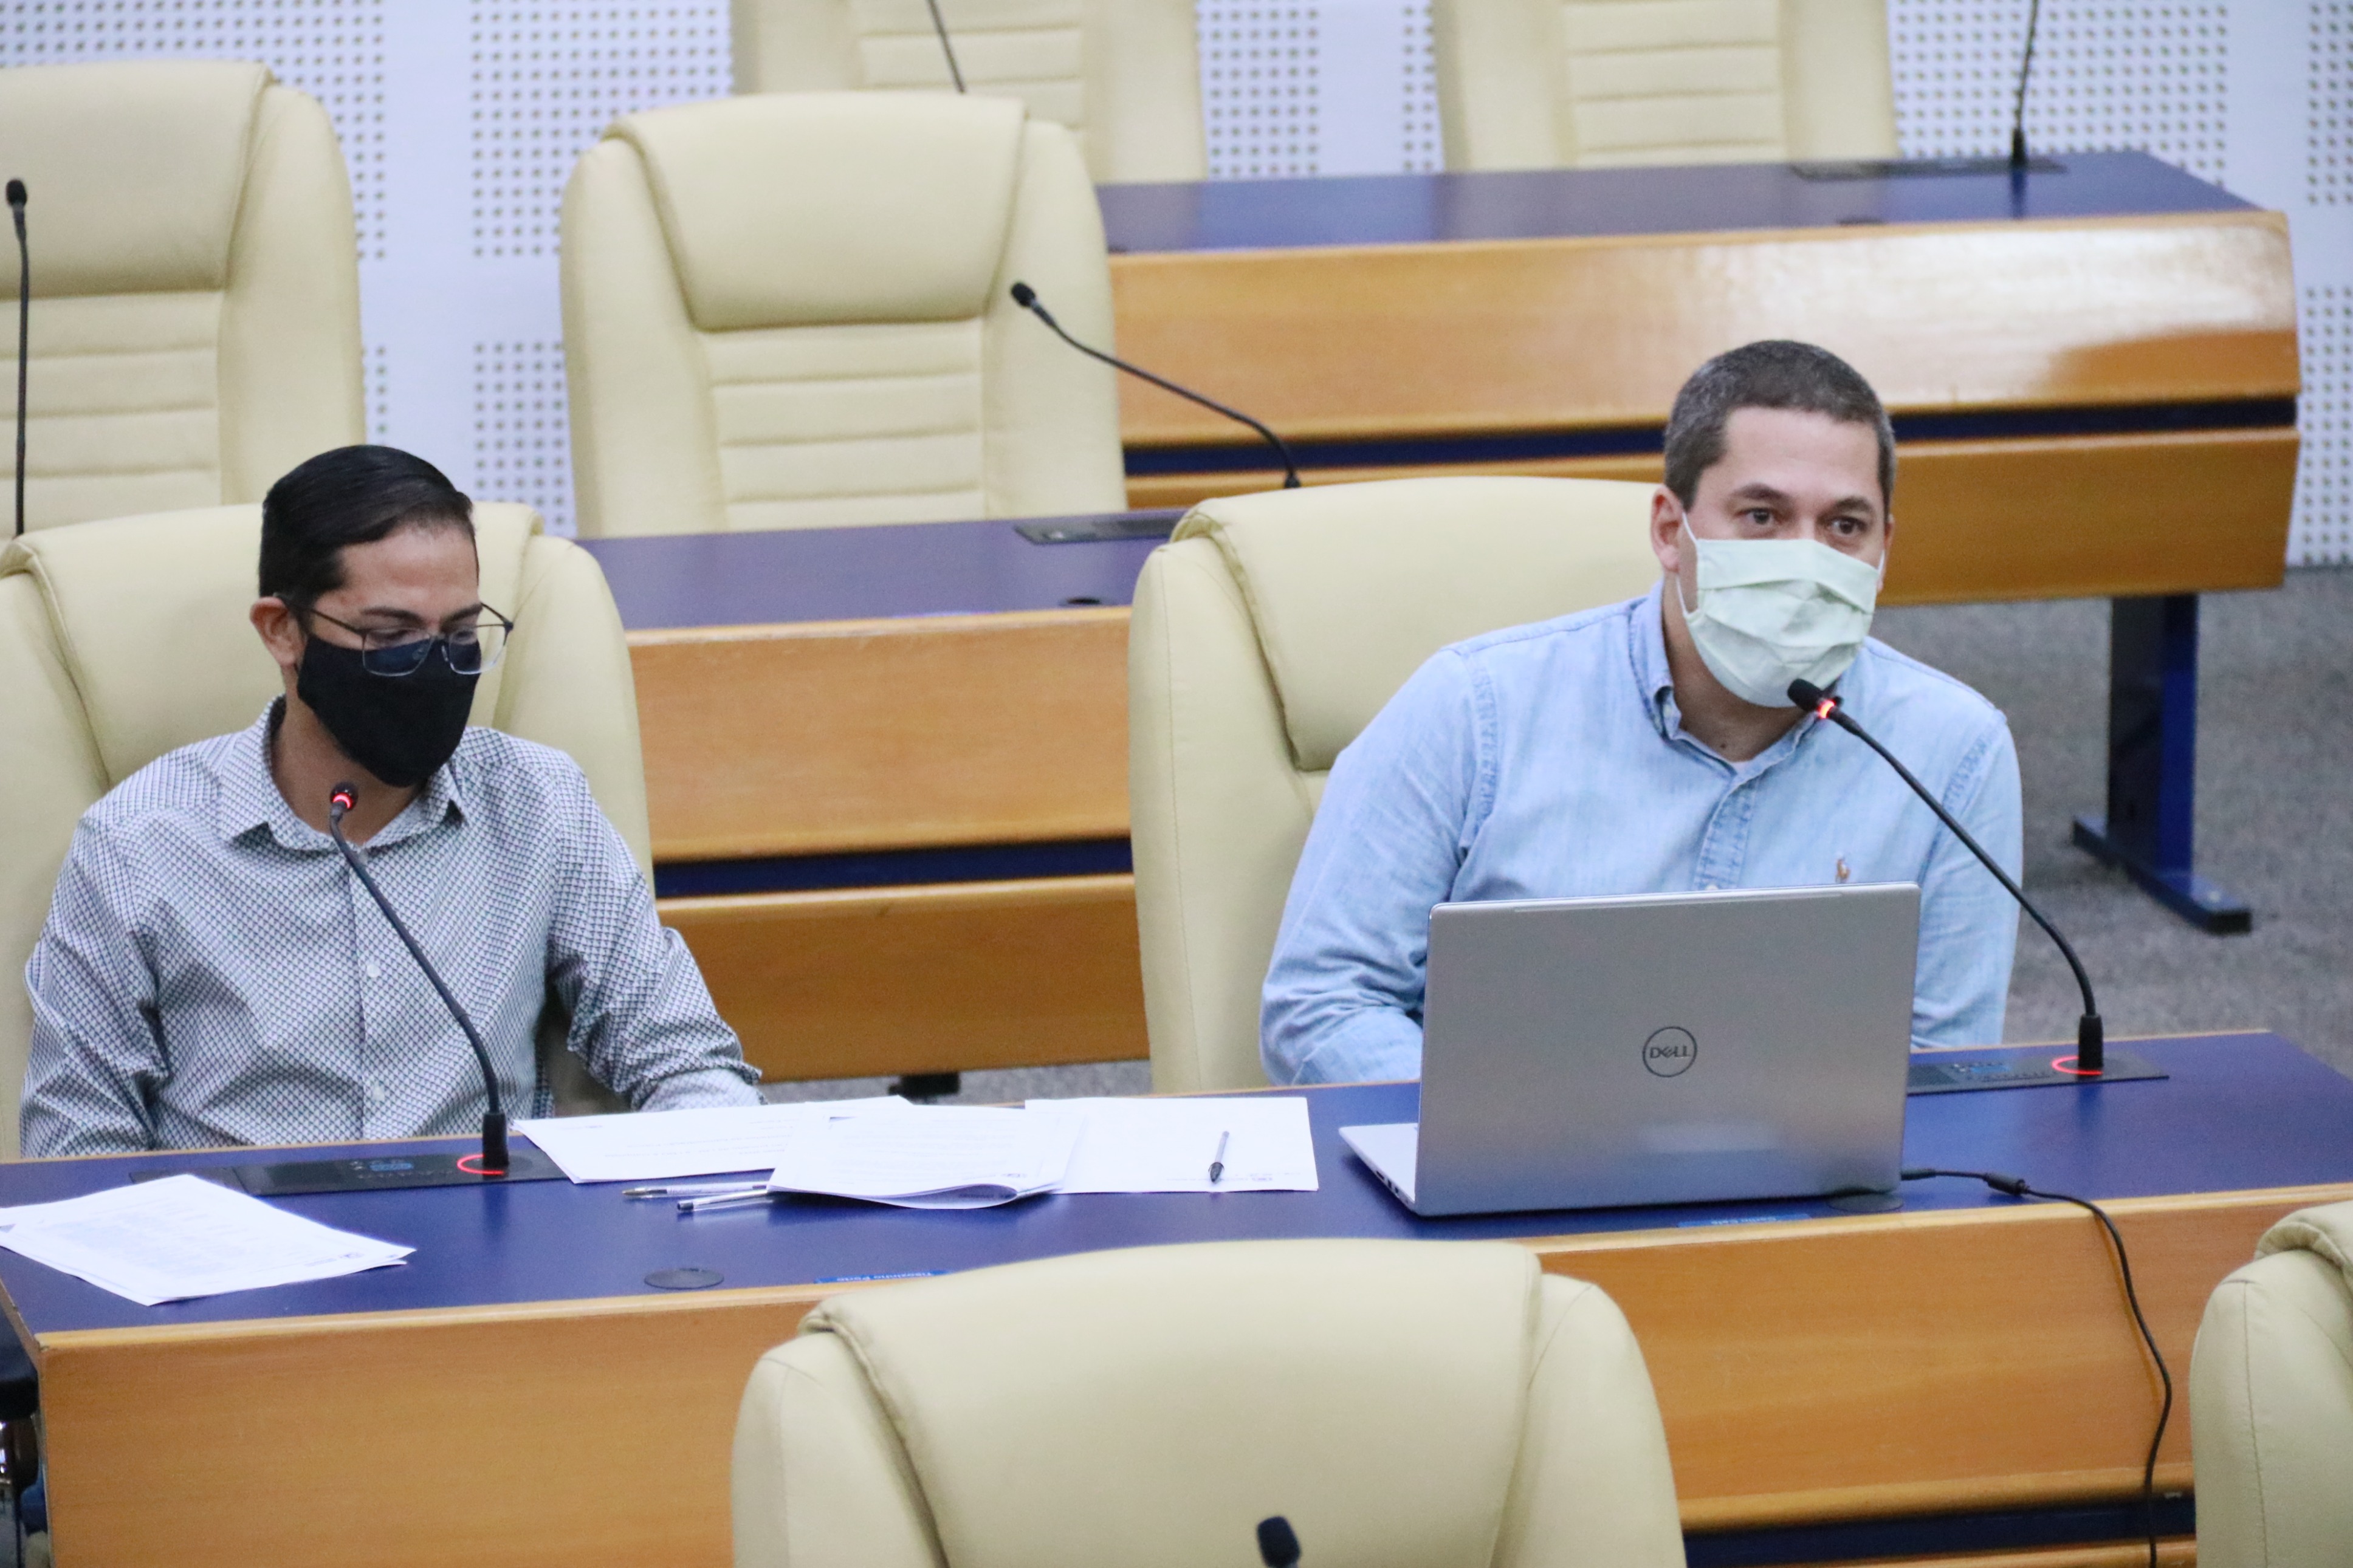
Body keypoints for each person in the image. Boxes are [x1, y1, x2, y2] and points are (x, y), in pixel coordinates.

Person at [1261, 341, 2022, 1085]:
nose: (1805, 558)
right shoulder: (1473, 707)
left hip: (1812, 1170)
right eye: (1761, 516)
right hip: (1496, 1165)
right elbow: (1323, 1003)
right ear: (1667, 530)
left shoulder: (1952, 749)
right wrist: (1488, 1131)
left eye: (1843, 527)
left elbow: (1943, 1069)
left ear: (1884, 549)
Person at [21, 446, 761, 1155]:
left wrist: (718, 1157)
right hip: (231, 1237)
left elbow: (682, 1059)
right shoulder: (138, 842)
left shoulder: (538, 804)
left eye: (461, 631)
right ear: (283, 631)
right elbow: (78, 1148)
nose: (434, 664)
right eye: (390, 634)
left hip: (489, 1230)